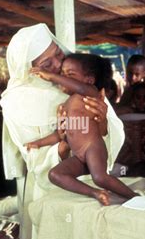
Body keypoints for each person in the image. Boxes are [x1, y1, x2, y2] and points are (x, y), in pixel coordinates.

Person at [0, 23, 124, 239]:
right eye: (47, 65)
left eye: (58, 53)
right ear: (29, 69)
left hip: (89, 172)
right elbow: (31, 155)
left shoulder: (77, 82)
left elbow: (111, 132)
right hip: (45, 188)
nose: (58, 64)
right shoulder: (16, 102)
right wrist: (64, 144)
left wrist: (102, 122)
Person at [26, 53, 137, 204]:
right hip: (78, 155)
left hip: (93, 148)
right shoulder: (67, 104)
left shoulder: (90, 94)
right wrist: (38, 143)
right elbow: (60, 134)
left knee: (99, 177)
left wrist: (52, 76)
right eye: (62, 74)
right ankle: (96, 193)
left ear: (89, 80)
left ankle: (134, 197)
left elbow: (79, 87)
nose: (64, 78)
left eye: (70, 74)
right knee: (55, 174)